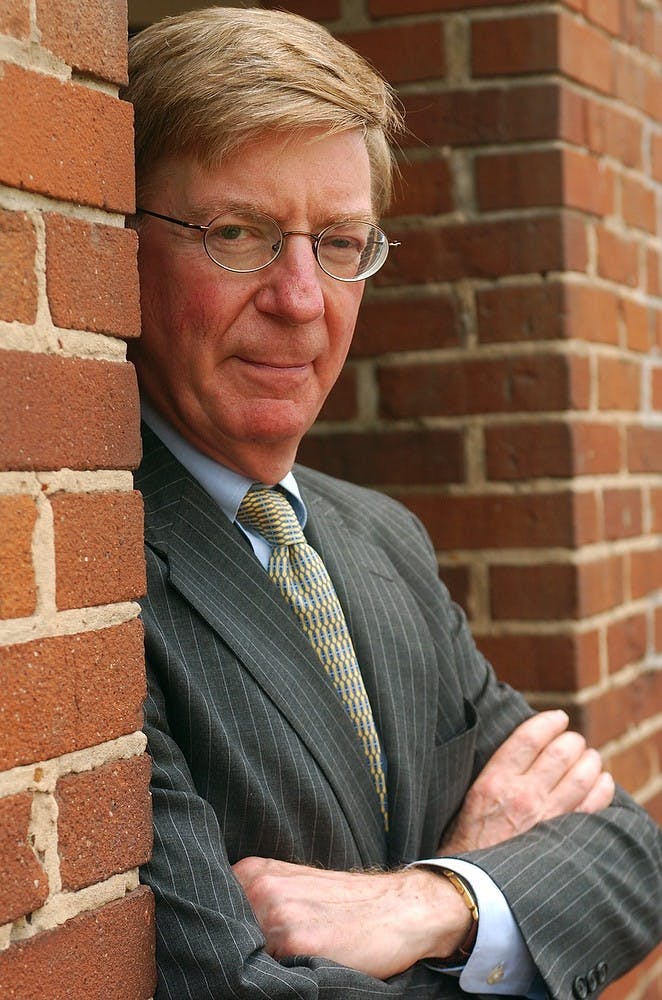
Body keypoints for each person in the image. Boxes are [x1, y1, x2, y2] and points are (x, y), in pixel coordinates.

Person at [122, 7, 662, 999]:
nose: (299, 297)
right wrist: (501, 913)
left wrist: (430, 898)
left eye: (337, 243)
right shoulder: (83, 575)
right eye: (237, 234)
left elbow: (631, 855)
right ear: (121, 246)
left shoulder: (381, 537)